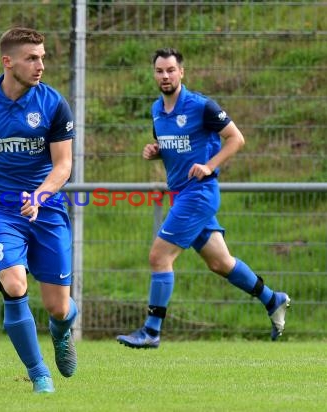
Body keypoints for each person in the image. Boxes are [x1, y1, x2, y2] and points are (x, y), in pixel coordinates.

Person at [116, 48, 290, 349]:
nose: (165, 76)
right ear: (154, 74)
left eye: (171, 70)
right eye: (160, 71)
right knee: (221, 263)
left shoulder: (201, 106)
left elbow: (237, 138)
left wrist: (210, 165)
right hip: (182, 194)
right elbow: (174, 147)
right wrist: (155, 152)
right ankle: (272, 299)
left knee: (159, 256)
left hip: (199, 194)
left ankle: (151, 331)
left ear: (181, 72)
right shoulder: (157, 110)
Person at [0, 27, 78, 394]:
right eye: (31, 58)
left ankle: (62, 328)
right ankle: (39, 375)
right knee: (13, 282)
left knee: (58, 307)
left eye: (42, 57)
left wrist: (38, 197)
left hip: (47, 208)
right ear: (8, 62)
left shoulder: (53, 104)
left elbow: (63, 165)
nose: (40, 65)